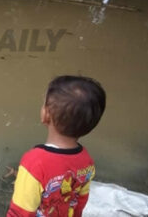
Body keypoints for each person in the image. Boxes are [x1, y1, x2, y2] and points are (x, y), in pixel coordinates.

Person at [6, 75, 106, 217]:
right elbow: (80, 201)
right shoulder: (86, 160)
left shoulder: (34, 162)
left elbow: (20, 213)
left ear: (46, 115)